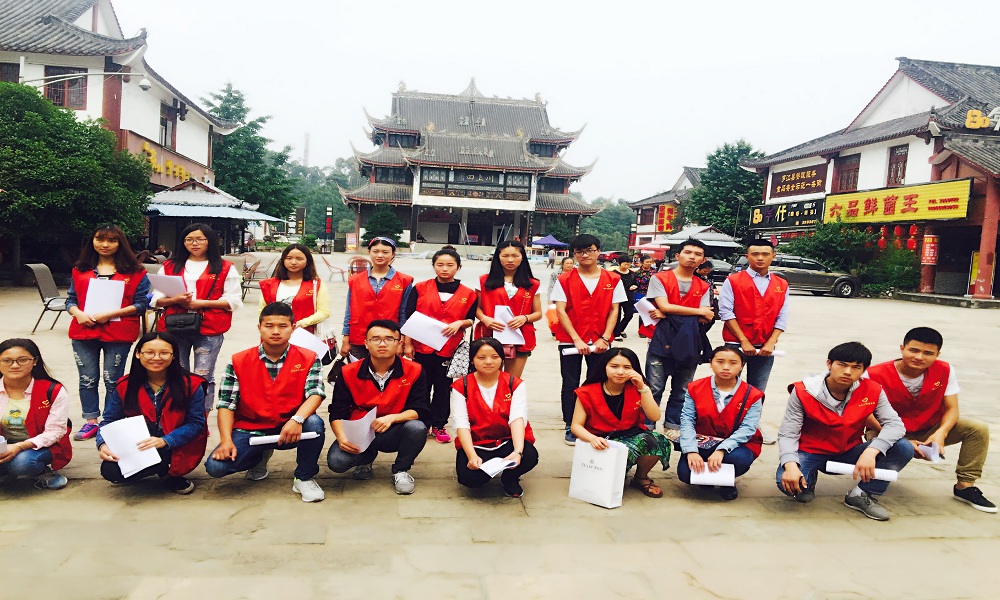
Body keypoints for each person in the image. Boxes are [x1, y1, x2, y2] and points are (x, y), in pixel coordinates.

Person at [777, 342, 914, 521]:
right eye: (842, 364)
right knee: (786, 483)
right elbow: (788, 433)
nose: (848, 372)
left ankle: (861, 494)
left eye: (856, 367)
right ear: (829, 364)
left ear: (864, 370)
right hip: (809, 451)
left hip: (849, 450)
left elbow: (895, 425)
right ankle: (809, 477)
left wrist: (872, 451)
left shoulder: (873, 390)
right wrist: (790, 465)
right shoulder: (804, 391)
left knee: (903, 447)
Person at [204, 303, 327, 502]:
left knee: (314, 423)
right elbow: (226, 404)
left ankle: (304, 477)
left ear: (293, 328)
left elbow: (316, 393)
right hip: (252, 428)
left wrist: (297, 419)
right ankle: (258, 456)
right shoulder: (239, 361)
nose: (276, 331)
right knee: (216, 467)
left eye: (282, 326)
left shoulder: (308, 357)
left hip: (290, 426)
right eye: (269, 326)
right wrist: (226, 440)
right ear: (259, 327)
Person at [865, 327, 995, 513]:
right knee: (886, 443)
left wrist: (941, 433)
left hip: (928, 428)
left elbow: (952, 409)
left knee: (977, 428)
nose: (919, 357)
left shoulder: (945, 370)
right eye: (913, 350)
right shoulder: (873, 374)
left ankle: (965, 486)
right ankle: (870, 485)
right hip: (883, 429)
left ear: (937, 354)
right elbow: (866, 413)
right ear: (902, 348)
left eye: (928, 353)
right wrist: (899, 439)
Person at [66, 224, 151, 441]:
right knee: (87, 378)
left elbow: (142, 304)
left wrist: (112, 313)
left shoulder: (136, 272)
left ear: (120, 243)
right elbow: (71, 300)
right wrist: (77, 313)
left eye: (112, 240)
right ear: (92, 241)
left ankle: (110, 421)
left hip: (119, 333)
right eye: (100, 239)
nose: (105, 245)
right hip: (84, 331)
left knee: (113, 379)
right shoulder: (80, 270)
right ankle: (91, 421)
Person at [96, 332, 207, 494]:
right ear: (138, 354)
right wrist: (103, 444)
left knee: (161, 456)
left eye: (164, 353)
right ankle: (158, 469)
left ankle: (171, 474)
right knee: (111, 471)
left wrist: (165, 440)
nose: (156, 358)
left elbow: (196, 423)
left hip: (175, 442)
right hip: (142, 442)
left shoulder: (192, 384)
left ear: (174, 355)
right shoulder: (125, 384)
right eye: (149, 352)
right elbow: (109, 420)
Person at [328, 320, 429, 495]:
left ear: (399, 343)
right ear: (366, 343)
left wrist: (392, 418)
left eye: (389, 339)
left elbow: (421, 408)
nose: (382, 344)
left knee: (417, 428)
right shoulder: (348, 372)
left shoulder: (415, 370)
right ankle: (365, 459)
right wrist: (342, 438)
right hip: (360, 431)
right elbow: (337, 410)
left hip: (394, 429)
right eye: (375, 339)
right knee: (337, 462)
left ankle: (401, 470)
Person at [153, 223, 242, 407]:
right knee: (177, 372)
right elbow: (156, 299)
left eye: (200, 239)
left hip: (209, 326)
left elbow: (233, 301)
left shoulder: (224, 267)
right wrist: (175, 300)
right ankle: (179, 412)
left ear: (210, 241)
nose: (194, 243)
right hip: (175, 326)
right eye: (189, 239)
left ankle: (201, 414)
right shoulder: (169, 266)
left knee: (204, 374)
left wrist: (200, 303)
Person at [552, 234, 626, 445]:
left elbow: (614, 310)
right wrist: (576, 339)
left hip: (601, 341)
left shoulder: (613, 279)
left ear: (598, 251)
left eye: (589, 250)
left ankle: (594, 422)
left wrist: (605, 337)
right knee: (570, 382)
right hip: (570, 341)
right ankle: (571, 424)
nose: (584, 255)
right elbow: (561, 310)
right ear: (574, 254)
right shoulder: (564, 279)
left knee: (599, 382)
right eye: (579, 252)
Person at [570, 348, 671, 498]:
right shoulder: (586, 392)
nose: (620, 372)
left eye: (627, 367)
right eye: (614, 366)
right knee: (606, 479)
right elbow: (576, 425)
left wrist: (643, 388)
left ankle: (641, 477)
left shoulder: (637, 388)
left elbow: (654, 416)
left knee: (657, 440)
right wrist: (592, 439)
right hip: (600, 439)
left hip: (631, 436)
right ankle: (614, 473)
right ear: (604, 367)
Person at [404, 247, 478, 444]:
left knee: (444, 388)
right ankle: (420, 423)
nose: (445, 269)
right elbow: (409, 316)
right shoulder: (420, 288)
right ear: (433, 266)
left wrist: (460, 323)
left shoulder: (468, 293)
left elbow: (471, 319)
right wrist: (408, 343)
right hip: (421, 347)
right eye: (440, 265)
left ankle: (439, 424)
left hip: (449, 349)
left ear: (458, 267)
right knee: (420, 386)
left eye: (450, 265)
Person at [642, 239, 714, 438]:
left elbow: (706, 316)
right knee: (653, 388)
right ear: (677, 255)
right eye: (688, 252)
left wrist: (667, 313)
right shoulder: (659, 278)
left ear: (703, 260)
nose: (692, 257)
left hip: (689, 343)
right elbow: (664, 306)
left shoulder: (703, 286)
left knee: (682, 390)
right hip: (661, 341)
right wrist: (695, 311)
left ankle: (672, 425)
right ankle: (646, 426)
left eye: (697, 254)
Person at [452, 338, 538, 498]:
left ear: (502, 358)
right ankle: (486, 471)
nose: (488, 362)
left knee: (529, 456)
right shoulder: (461, 386)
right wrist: (471, 456)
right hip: (478, 443)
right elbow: (461, 424)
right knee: (469, 478)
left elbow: (517, 418)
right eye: (481, 357)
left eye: (494, 356)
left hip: (507, 440)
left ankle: (510, 478)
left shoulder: (514, 383)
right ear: (472, 359)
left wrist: (517, 451)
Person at [677, 346, 762, 500]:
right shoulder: (695, 388)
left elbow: (748, 428)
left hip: (735, 445)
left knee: (737, 460)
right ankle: (710, 477)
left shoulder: (753, 395)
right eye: (720, 362)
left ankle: (726, 482)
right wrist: (691, 450)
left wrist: (722, 450)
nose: (726, 367)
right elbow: (687, 420)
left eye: (733, 363)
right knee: (685, 472)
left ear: (742, 365)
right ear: (711, 363)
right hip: (704, 442)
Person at [719, 239, 789, 396]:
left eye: (765, 254)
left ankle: (752, 413)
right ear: (747, 256)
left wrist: (771, 342)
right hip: (735, 344)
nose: (760, 258)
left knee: (757, 391)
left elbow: (782, 315)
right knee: (728, 388)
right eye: (755, 254)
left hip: (765, 347)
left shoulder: (781, 284)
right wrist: (743, 340)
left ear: (773, 256)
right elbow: (726, 312)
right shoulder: (733, 281)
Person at [0, 339, 72, 490]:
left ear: (35, 361)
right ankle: (6, 470)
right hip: (3, 443)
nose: (14, 365)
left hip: (39, 445)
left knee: (22, 463)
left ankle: (42, 472)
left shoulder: (52, 390)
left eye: (22, 360)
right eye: (7, 360)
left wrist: (19, 446)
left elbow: (56, 431)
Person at [474, 241, 542, 378]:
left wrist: (525, 318)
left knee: (512, 381)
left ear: (522, 257)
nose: (510, 260)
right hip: (490, 335)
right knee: (489, 379)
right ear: (498, 257)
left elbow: (538, 313)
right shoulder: (484, 281)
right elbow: (476, 308)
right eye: (505, 256)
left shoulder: (533, 284)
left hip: (520, 337)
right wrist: (485, 319)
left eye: (515, 255)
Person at [341, 237, 414, 361]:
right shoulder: (356, 280)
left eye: (385, 252)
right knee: (360, 371)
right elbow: (349, 311)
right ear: (369, 252)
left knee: (387, 371)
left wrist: (402, 341)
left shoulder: (404, 281)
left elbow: (404, 314)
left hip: (390, 338)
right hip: (360, 337)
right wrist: (345, 337)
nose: (380, 255)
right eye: (375, 251)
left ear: (393, 254)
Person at [258, 243, 331, 337]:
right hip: (274, 336)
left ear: (307, 261)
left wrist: (303, 323)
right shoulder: (268, 285)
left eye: (299, 259)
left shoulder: (316, 284)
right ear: (283, 260)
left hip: (305, 336)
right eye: (289, 258)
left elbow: (324, 312)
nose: (293, 262)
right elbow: (262, 312)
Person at [546, 256, 575, 340]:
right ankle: (555, 332)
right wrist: (550, 299)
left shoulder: (576, 274)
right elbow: (551, 286)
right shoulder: (555, 274)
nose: (569, 265)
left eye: (571, 263)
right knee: (556, 315)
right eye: (567, 263)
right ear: (562, 264)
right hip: (558, 297)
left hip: (571, 297)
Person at [612, 257, 637, 341]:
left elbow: (635, 283)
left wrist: (634, 286)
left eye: (628, 264)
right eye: (625, 264)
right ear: (619, 263)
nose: (627, 266)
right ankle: (616, 334)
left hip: (628, 297)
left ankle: (620, 329)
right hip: (616, 297)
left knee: (629, 314)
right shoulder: (613, 274)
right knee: (617, 315)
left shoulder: (632, 273)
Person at [632, 255, 655, 337]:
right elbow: (634, 283)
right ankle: (642, 331)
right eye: (647, 262)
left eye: (650, 262)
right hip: (641, 293)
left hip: (652, 293)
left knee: (651, 312)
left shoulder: (654, 272)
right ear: (642, 263)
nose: (649, 263)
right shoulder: (637, 273)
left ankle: (650, 330)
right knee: (643, 312)